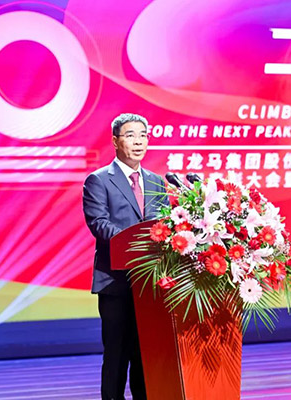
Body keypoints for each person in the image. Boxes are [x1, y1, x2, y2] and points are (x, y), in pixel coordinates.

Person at [82, 113, 167, 400]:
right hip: (115, 282)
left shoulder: (156, 182)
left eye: (143, 135)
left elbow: (164, 222)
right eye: (131, 135)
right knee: (117, 355)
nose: (139, 141)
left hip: (150, 284)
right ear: (115, 141)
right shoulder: (98, 180)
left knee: (145, 355)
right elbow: (99, 223)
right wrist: (136, 244)